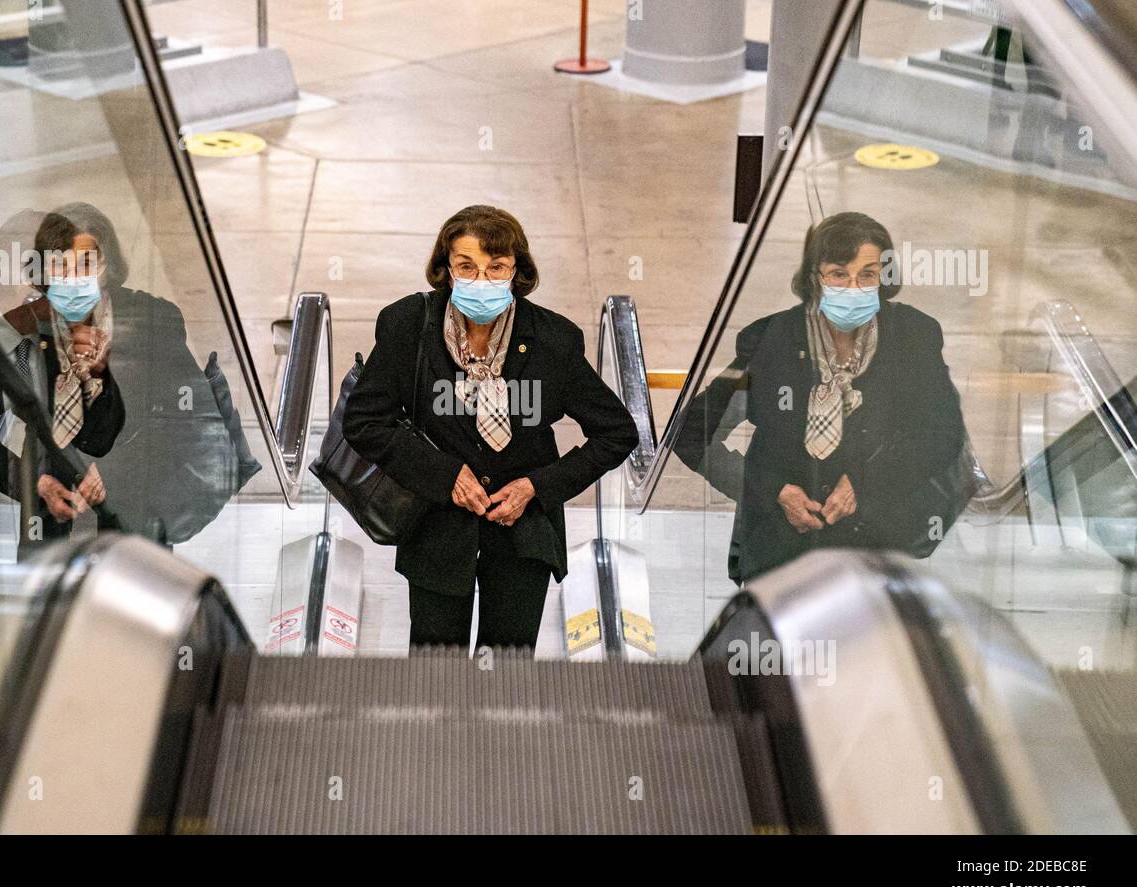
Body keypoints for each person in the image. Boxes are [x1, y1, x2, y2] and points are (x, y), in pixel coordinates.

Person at [343, 205, 638, 649]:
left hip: (522, 537)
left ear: (517, 271)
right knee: (435, 672)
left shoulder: (553, 341)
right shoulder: (408, 327)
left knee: (507, 675)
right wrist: (445, 475)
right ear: (446, 269)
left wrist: (535, 486)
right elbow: (365, 421)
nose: (481, 280)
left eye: (496, 267)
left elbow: (617, 432)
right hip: (436, 528)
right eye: (467, 266)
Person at [672, 211, 969, 584]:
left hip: (878, 551)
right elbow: (693, 433)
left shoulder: (913, 337)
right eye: (838, 274)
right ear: (815, 278)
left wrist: (864, 483)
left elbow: (942, 437)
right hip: (782, 553)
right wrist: (774, 491)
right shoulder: (772, 341)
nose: (853, 287)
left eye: (868, 275)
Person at [0, 209, 125, 548]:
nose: (74, 279)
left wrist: (113, 469)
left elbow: (165, 429)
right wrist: (34, 481)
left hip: (126, 538)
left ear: (107, 268)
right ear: (43, 275)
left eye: (87, 264)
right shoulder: (20, 333)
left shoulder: (147, 325)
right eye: (61, 267)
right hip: (48, 537)